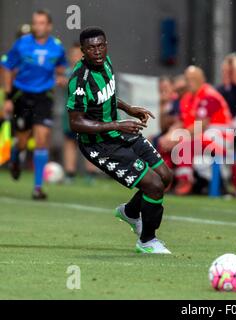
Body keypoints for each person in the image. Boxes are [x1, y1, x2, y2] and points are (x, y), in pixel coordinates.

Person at [67, 27, 173, 254]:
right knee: (153, 186)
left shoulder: (106, 63)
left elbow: (109, 94)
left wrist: (129, 109)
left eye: (101, 45)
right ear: (83, 51)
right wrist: (117, 123)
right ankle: (147, 241)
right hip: (99, 145)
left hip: (119, 131)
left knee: (165, 176)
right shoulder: (79, 80)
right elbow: (75, 122)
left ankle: (131, 212)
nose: (98, 51)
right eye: (92, 48)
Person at [1, 10, 67, 200]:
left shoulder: (56, 47)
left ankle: (38, 188)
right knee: (22, 141)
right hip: (23, 96)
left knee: (41, 138)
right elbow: (7, 67)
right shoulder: (22, 43)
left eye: (42, 23)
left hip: (44, 97)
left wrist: (61, 77)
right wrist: (7, 97)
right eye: (35, 23)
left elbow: (61, 68)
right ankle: (15, 156)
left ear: (49, 26)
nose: (38, 26)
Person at [160, 66, 233, 195]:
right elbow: (182, 122)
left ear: (202, 79)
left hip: (220, 138)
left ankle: (185, 181)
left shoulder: (210, 95)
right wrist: (170, 134)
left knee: (185, 144)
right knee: (164, 144)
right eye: (188, 79)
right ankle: (165, 180)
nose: (190, 82)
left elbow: (201, 125)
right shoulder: (187, 98)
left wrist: (179, 136)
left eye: (193, 79)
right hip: (200, 136)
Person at [62, 43, 97, 184]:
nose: (75, 57)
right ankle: (70, 173)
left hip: (88, 114)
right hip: (72, 114)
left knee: (90, 142)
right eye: (73, 54)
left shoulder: (90, 71)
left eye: (78, 54)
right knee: (70, 142)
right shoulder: (67, 71)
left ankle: (91, 174)